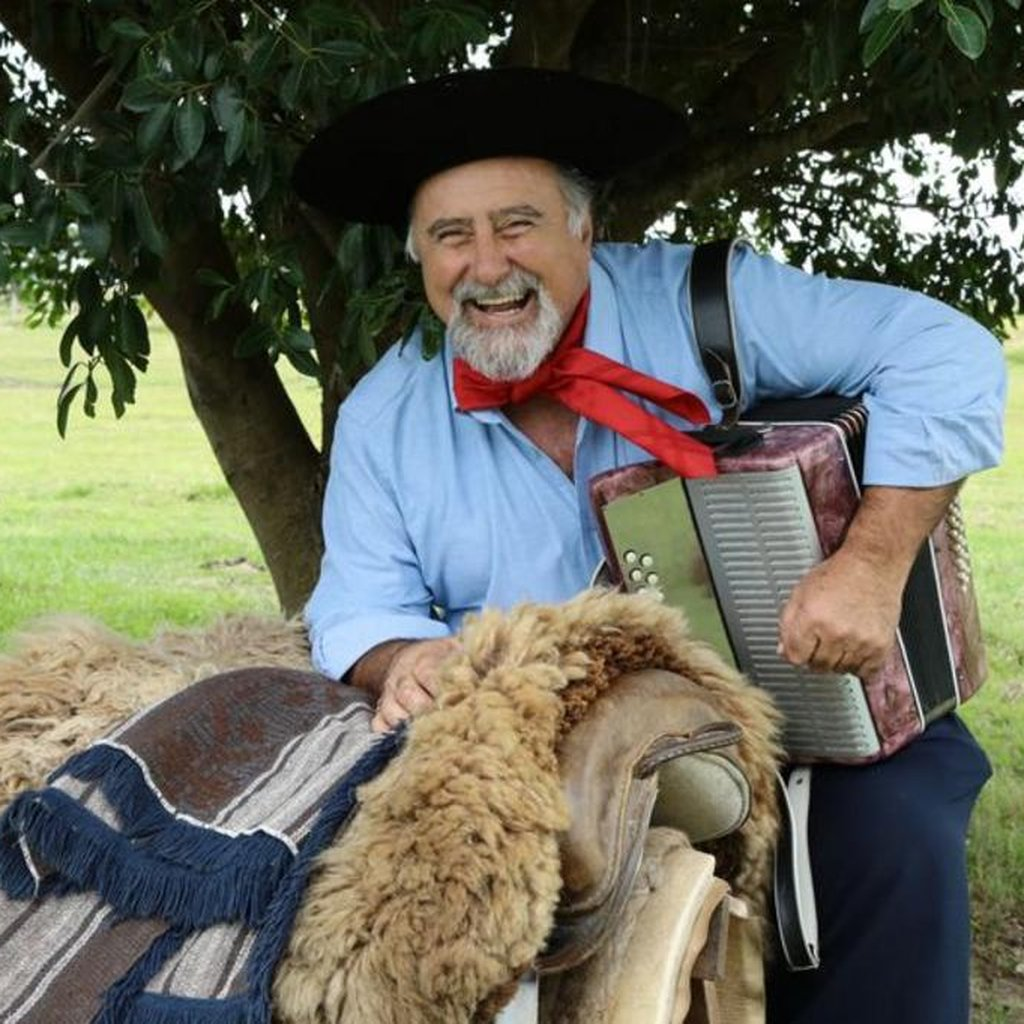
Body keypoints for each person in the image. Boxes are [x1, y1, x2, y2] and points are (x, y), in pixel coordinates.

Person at [293, 68, 1005, 1024]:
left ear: (585, 228)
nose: (488, 264)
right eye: (451, 237)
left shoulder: (706, 304)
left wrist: (869, 566)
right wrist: (402, 656)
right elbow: (356, 604)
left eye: (519, 225)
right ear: (420, 257)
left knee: (897, 843)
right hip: (566, 758)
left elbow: (946, 351)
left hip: (808, 713)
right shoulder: (384, 416)